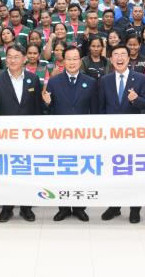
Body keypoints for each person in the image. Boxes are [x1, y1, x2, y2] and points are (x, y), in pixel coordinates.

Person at [0, 44, 43, 223]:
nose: (12, 60)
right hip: (6, 135)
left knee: (27, 172)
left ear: (24, 59)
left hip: (29, 135)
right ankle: (7, 208)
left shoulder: (33, 79)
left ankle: (26, 208)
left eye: (16, 56)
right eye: (9, 56)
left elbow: (38, 108)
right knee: (8, 172)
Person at [42, 46, 99, 222]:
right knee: (63, 173)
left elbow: (95, 111)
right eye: (68, 59)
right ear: (63, 61)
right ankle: (64, 207)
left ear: (80, 61)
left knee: (82, 173)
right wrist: (47, 103)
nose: (72, 62)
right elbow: (49, 110)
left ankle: (80, 208)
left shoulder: (91, 81)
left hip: (83, 137)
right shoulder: (54, 82)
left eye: (75, 59)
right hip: (60, 137)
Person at [99, 44, 145, 224]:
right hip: (111, 136)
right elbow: (101, 108)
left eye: (123, 54)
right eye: (116, 54)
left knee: (134, 174)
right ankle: (114, 206)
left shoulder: (140, 78)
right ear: (111, 59)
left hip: (133, 136)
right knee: (113, 173)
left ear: (129, 59)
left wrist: (136, 100)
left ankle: (135, 209)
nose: (119, 58)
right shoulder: (105, 80)